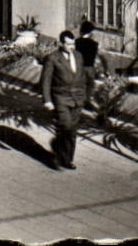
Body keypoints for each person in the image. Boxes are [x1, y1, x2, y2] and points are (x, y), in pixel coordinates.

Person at [40, 29, 94, 170]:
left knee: (72, 131)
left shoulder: (78, 56)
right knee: (65, 126)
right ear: (61, 43)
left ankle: (67, 159)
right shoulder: (52, 58)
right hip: (61, 98)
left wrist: (85, 96)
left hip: (77, 99)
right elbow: (46, 80)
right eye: (68, 44)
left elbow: (82, 76)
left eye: (73, 44)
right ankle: (57, 147)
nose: (72, 47)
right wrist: (47, 100)